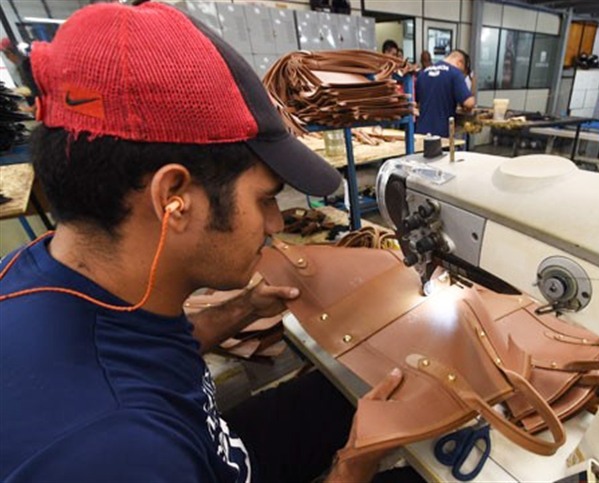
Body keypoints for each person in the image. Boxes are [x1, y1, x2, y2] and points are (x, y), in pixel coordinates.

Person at [0, 3, 412, 483]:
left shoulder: (42, 269)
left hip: (209, 444)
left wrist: (244, 307)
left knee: (338, 393)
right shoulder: (116, 453)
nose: (275, 222)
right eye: (264, 199)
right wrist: (353, 464)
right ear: (173, 198)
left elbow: (149, 350)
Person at [415, 49, 475, 138]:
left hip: (420, 131)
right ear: (460, 63)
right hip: (441, 134)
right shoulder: (455, 73)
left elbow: (417, 102)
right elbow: (469, 103)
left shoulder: (423, 73)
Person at [0, 37, 37, 105]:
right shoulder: (21, 66)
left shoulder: (25, 66)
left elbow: (36, 91)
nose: (7, 58)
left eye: (6, 54)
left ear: (10, 53)